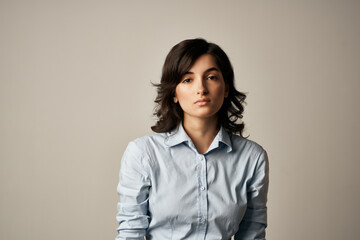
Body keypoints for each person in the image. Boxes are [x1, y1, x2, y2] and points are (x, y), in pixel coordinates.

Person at [115, 38, 269, 240]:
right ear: (174, 93)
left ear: (226, 88)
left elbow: (252, 234)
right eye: (188, 79)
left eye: (212, 77)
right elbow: (130, 233)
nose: (201, 89)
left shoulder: (252, 157)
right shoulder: (143, 153)